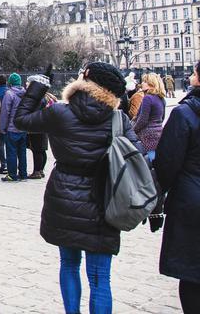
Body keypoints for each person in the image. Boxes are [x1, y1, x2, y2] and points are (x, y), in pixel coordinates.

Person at [15, 62, 144, 314]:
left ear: (85, 80)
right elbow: (138, 157)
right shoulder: (118, 119)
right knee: (99, 278)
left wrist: (38, 86)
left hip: (65, 195)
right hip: (104, 199)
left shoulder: (61, 113)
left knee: (69, 264)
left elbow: (21, 120)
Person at [155, 60, 200, 313]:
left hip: (191, 201)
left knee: (192, 274)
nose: (191, 76)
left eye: (194, 72)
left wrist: (160, 193)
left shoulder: (185, 113)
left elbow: (167, 161)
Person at [0, 73, 28, 182]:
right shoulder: (25, 93)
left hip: (11, 128)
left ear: (10, 82)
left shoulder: (9, 94)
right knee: (22, 152)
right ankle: (23, 174)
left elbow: (5, 113)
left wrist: (3, 128)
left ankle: (12, 174)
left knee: (11, 152)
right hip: (23, 127)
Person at [134, 72, 166, 162]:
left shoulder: (147, 98)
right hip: (159, 134)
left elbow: (142, 120)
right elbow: (162, 118)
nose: (142, 83)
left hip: (147, 136)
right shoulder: (161, 98)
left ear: (151, 84)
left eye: (145, 81)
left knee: (148, 162)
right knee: (156, 161)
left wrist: (132, 131)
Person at [0, 75, 10, 174]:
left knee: (1, 143)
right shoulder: (10, 92)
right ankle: (10, 164)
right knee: (10, 144)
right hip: (10, 121)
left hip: (0, 121)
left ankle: (3, 165)